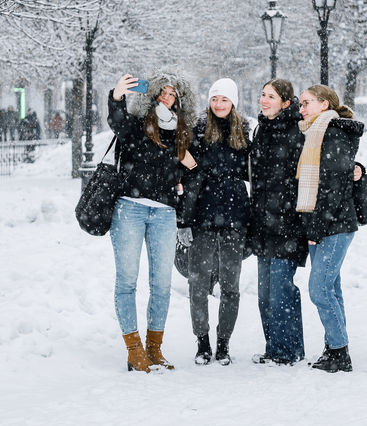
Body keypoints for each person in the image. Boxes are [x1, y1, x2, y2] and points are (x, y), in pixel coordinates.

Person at [107, 71, 199, 373]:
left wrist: (188, 167)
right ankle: (134, 350)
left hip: (164, 213)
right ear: (153, 95)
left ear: (178, 101)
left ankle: (154, 348)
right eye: (162, 92)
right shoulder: (136, 126)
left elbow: (193, 171)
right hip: (130, 209)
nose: (167, 97)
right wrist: (117, 95)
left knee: (161, 285)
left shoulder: (181, 132)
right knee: (127, 281)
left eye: (172, 94)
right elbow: (117, 120)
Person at [179, 78, 250, 366]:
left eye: (224, 99)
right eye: (214, 99)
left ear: (233, 102)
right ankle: (202, 341)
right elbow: (187, 176)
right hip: (202, 217)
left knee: (231, 286)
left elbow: (253, 174)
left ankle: (224, 343)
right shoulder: (196, 132)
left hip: (234, 217)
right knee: (198, 284)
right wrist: (184, 220)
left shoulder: (244, 131)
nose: (219, 104)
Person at [297, 84, 365, 373]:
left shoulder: (333, 132)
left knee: (320, 289)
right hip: (325, 222)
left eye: (307, 103)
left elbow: (333, 187)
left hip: (334, 225)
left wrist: (316, 228)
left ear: (324, 105)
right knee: (331, 288)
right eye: (300, 103)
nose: (301, 109)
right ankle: (334, 346)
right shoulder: (316, 131)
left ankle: (340, 351)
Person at [248, 78, 307, 366]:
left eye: (270, 96)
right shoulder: (261, 129)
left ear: (286, 102)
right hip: (262, 224)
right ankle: (278, 348)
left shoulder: (298, 130)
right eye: (262, 95)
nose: (264, 100)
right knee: (265, 295)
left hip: (287, 224)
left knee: (281, 292)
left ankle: (286, 351)